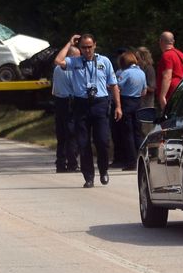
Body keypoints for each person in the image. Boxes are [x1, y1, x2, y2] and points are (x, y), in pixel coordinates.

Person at [54, 33, 122, 188]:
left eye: (89, 47)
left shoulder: (104, 61)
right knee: (83, 143)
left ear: (95, 45)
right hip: (81, 104)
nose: (87, 50)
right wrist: (69, 42)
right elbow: (58, 61)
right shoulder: (74, 61)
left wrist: (118, 106)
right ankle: (88, 177)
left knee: (102, 141)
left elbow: (113, 85)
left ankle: (103, 169)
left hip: (100, 103)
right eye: (83, 47)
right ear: (80, 48)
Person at [115, 51, 147, 170]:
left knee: (128, 133)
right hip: (138, 102)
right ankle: (142, 159)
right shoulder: (141, 73)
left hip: (127, 102)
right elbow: (144, 90)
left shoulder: (126, 73)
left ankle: (131, 161)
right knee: (138, 132)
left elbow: (117, 86)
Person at [52, 45, 80, 173]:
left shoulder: (57, 69)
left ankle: (60, 163)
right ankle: (72, 163)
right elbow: (76, 87)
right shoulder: (70, 69)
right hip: (70, 101)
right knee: (71, 134)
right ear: (71, 56)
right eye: (77, 56)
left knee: (61, 134)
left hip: (59, 101)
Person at [156, 31, 183, 111]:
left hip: (171, 93)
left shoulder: (166, 55)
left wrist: (162, 96)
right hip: (182, 90)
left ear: (161, 41)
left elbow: (167, 76)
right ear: (173, 42)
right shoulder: (182, 55)